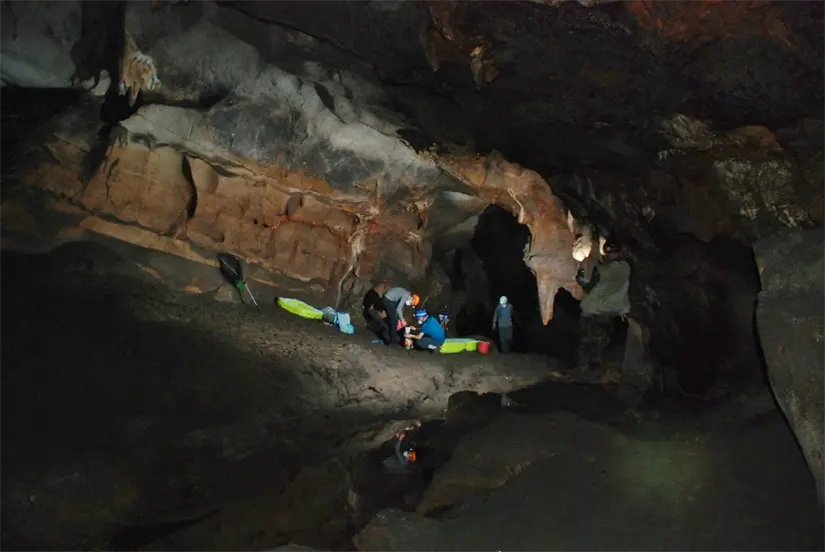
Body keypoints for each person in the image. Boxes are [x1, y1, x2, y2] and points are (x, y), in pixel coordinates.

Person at [574, 241, 631, 375]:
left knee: (586, 342)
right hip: (610, 312)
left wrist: (580, 279)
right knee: (601, 342)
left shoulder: (601, 270)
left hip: (592, 310)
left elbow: (590, 287)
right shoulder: (626, 268)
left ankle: (583, 370)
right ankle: (596, 369)